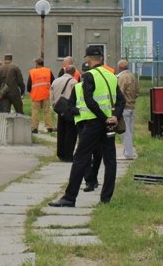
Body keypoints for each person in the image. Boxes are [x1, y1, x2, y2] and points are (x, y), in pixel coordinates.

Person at [49, 45, 125, 207]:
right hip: (109, 125)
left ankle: (70, 198)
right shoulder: (112, 76)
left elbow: (90, 101)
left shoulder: (89, 76)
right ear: (102, 59)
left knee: (80, 158)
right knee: (110, 160)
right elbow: (121, 100)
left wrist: (103, 118)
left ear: (88, 59)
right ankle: (106, 199)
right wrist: (114, 117)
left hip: (93, 123)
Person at [50, 65, 78, 161]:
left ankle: (60, 153)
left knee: (61, 132)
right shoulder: (74, 82)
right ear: (74, 73)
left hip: (59, 109)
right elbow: (76, 96)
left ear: (65, 70)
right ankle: (68, 155)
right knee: (71, 132)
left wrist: (54, 105)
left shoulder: (56, 81)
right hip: (69, 110)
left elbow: (51, 95)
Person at [116, 59, 139, 160]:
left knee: (125, 132)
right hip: (132, 106)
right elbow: (138, 91)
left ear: (120, 67)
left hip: (124, 107)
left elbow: (119, 92)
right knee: (130, 131)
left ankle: (128, 154)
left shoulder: (122, 77)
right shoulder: (132, 76)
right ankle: (129, 152)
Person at [27, 57, 54, 134]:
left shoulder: (32, 72)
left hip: (36, 95)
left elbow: (29, 85)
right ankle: (49, 127)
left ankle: (34, 128)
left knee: (35, 111)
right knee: (47, 111)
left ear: (36, 63)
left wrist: (30, 91)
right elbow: (53, 81)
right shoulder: (48, 71)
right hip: (46, 94)